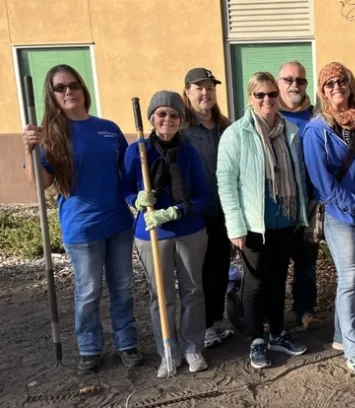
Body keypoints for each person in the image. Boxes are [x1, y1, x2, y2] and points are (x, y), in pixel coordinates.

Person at [22, 65, 143, 375]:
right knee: (88, 291)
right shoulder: (51, 134)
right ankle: (89, 349)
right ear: (52, 95)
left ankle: (126, 343)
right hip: (82, 226)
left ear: (83, 88)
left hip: (117, 222)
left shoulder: (108, 128)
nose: (68, 91)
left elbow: (127, 171)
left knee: (123, 287)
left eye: (73, 85)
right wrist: (31, 151)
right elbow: (42, 183)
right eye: (60, 88)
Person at [217, 72, 309, 369]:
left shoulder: (290, 131)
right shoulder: (236, 133)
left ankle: (278, 333)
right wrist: (235, 225)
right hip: (253, 224)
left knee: (278, 280)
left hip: (284, 220)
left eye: (271, 94)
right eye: (260, 95)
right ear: (250, 98)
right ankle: (257, 338)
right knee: (255, 283)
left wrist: (302, 216)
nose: (267, 100)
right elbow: (227, 181)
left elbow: (299, 177)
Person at [304, 62, 355, 379]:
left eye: (342, 81)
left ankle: (340, 336)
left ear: (351, 85)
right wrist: (354, 205)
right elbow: (322, 183)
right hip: (342, 217)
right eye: (329, 83)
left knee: (354, 276)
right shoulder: (316, 130)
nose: (337, 87)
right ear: (322, 92)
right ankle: (354, 350)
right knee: (350, 280)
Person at [121, 91, 209, 377]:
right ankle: (167, 350)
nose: (167, 119)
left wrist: (176, 211)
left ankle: (192, 346)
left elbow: (205, 196)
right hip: (151, 233)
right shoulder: (138, 151)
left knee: (193, 291)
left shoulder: (189, 152)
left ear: (181, 120)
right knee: (161, 295)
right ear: (151, 118)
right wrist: (136, 199)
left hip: (189, 230)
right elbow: (123, 188)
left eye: (173, 114)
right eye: (161, 114)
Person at [181, 67, 235, 348]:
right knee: (198, 274)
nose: (205, 93)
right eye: (199, 88)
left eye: (210, 87)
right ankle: (199, 327)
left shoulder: (227, 127)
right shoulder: (183, 131)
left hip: (224, 212)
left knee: (219, 269)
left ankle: (214, 321)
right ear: (187, 92)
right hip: (197, 214)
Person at [277, 61, 322, 329]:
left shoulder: (316, 115)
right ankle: (274, 315)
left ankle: (305, 311)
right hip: (279, 205)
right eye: (289, 79)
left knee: (307, 264)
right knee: (277, 263)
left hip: (310, 204)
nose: (295, 85)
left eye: (301, 80)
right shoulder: (268, 114)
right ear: (279, 82)